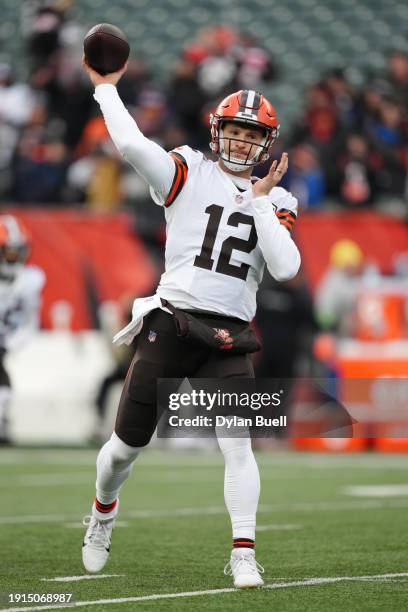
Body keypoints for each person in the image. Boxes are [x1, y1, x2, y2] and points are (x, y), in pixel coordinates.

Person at [81, 57, 301, 589]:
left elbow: (287, 267)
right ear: (217, 131)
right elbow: (133, 147)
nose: (242, 143)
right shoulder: (187, 169)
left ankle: (244, 552)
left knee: (237, 442)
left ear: (267, 143)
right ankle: (102, 512)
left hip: (228, 335)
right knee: (124, 449)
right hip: (173, 321)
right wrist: (106, 90)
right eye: (235, 131)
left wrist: (263, 202)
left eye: (253, 135)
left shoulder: (280, 200)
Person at [0, 215, 45, 443]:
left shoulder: (31, 280)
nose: (14, 256)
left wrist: (10, 344)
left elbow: (30, 322)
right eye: (9, 250)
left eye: (17, 250)